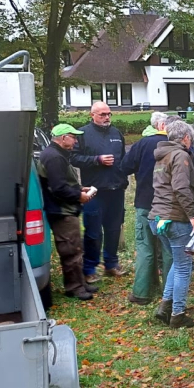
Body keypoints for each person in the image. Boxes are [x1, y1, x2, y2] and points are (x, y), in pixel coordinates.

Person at [150, 120, 194, 328]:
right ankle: (178, 314)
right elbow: (181, 188)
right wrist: (193, 215)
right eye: (190, 138)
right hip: (175, 219)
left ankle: (165, 307)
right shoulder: (181, 155)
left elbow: (187, 180)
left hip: (157, 218)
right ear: (186, 138)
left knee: (177, 263)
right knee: (184, 267)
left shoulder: (163, 155)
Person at [37, 124, 98, 301]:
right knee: (71, 249)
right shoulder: (54, 157)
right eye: (73, 137)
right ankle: (74, 287)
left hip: (64, 208)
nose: (76, 141)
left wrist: (79, 188)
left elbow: (62, 182)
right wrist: (79, 196)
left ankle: (80, 283)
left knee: (75, 247)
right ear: (63, 138)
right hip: (61, 211)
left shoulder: (56, 154)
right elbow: (58, 188)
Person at [120, 112, 173, 304]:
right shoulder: (175, 144)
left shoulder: (142, 144)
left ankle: (142, 293)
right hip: (169, 205)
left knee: (145, 247)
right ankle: (169, 293)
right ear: (164, 125)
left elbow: (124, 167)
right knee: (168, 249)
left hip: (145, 202)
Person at [71, 101, 128, 282]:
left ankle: (111, 264)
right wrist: (97, 160)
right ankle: (89, 268)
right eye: (102, 114)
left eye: (109, 114)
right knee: (93, 232)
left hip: (116, 189)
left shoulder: (116, 133)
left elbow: (124, 159)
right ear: (92, 115)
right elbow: (74, 158)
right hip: (95, 191)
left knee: (113, 229)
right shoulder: (83, 134)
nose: (106, 117)